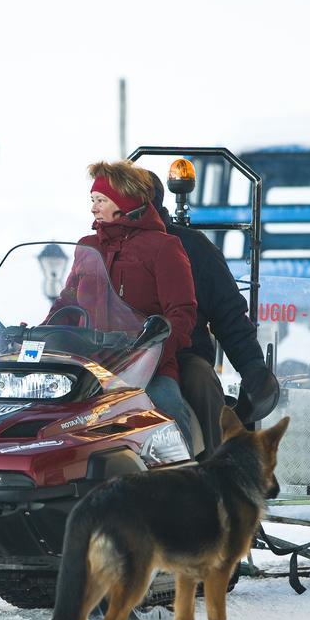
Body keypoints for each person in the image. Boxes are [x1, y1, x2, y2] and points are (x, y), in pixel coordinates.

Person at [52, 160, 198, 448]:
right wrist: (37, 333)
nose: (93, 208)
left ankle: (186, 476)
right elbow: (66, 304)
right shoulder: (87, 247)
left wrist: (148, 355)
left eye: (101, 200)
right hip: (89, 365)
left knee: (167, 410)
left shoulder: (163, 247)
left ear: (124, 202)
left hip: (146, 369)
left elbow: (181, 313)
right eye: (92, 200)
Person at [147, 170, 278, 457]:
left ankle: (216, 471)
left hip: (181, 353)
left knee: (200, 381)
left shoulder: (193, 248)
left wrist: (253, 367)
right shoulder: (99, 248)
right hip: (113, 359)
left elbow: (228, 315)